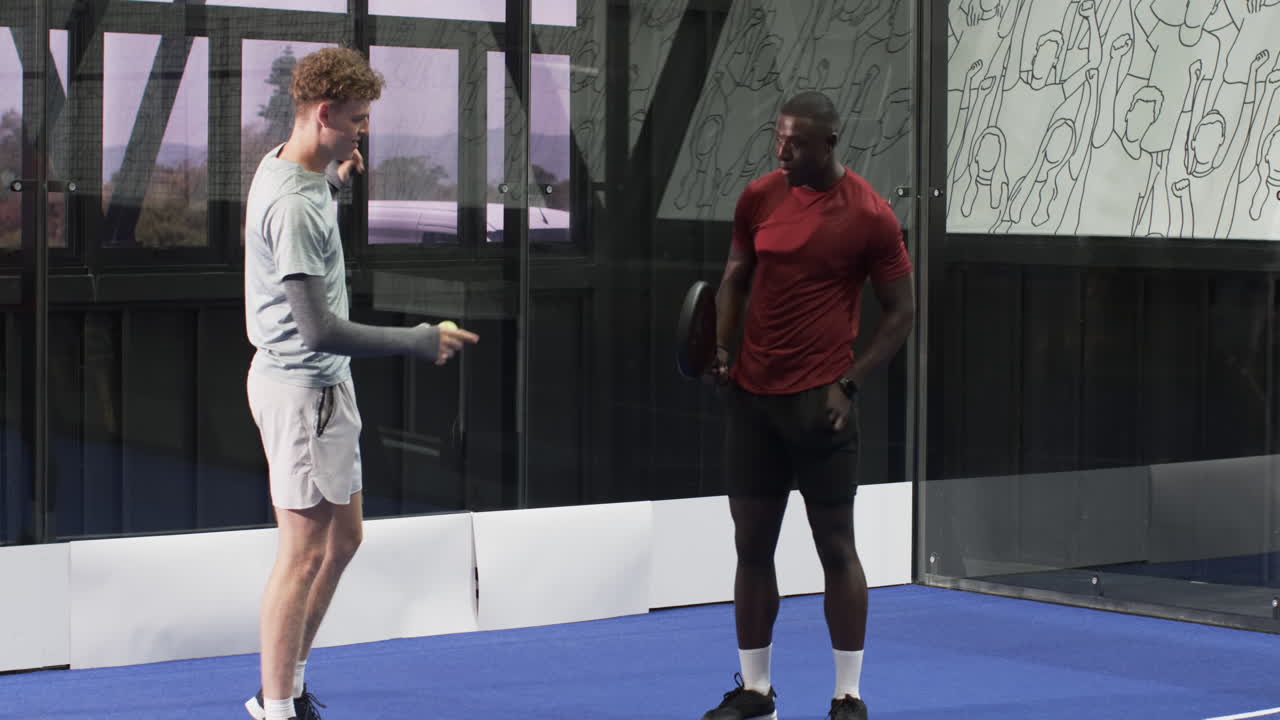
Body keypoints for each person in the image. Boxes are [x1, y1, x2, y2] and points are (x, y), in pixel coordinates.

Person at [241, 47, 478, 720]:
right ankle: (276, 707)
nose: (362, 132)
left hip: (323, 391)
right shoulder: (293, 206)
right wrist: (418, 340)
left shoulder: (294, 167)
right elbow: (317, 329)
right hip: (301, 391)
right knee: (301, 554)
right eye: (356, 121)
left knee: (344, 540)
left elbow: (312, 218)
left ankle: (286, 680)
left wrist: (337, 181)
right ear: (324, 115)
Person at [701, 90, 915, 720]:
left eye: (795, 140)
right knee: (751, 547)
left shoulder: (871, 215)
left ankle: (848, 696)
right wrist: (720, 349)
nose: (781, 148)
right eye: (778, 136)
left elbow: (902, 312)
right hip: (753, 402)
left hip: (822, 406)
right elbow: (736, 276)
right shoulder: (758, 198)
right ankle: (756, 692)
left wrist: (850, 382)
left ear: (829, 143)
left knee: (836, 549)